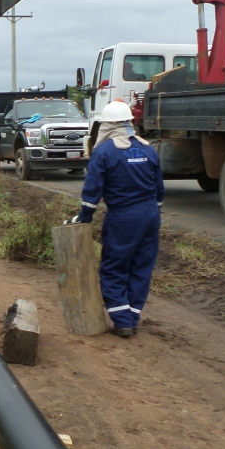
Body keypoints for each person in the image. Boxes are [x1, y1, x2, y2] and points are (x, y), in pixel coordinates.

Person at [69, 99, 164, 337]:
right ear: (129, 122)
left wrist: (84, 216)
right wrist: (153, 214)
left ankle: (122, 321)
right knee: (141, 266)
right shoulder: (148, 149)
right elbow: (160, 190)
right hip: (151, 214)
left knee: (114, 266)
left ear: (107, 125)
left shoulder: (104, 152)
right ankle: (132, 315)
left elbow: (92, 190)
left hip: (124, 216)